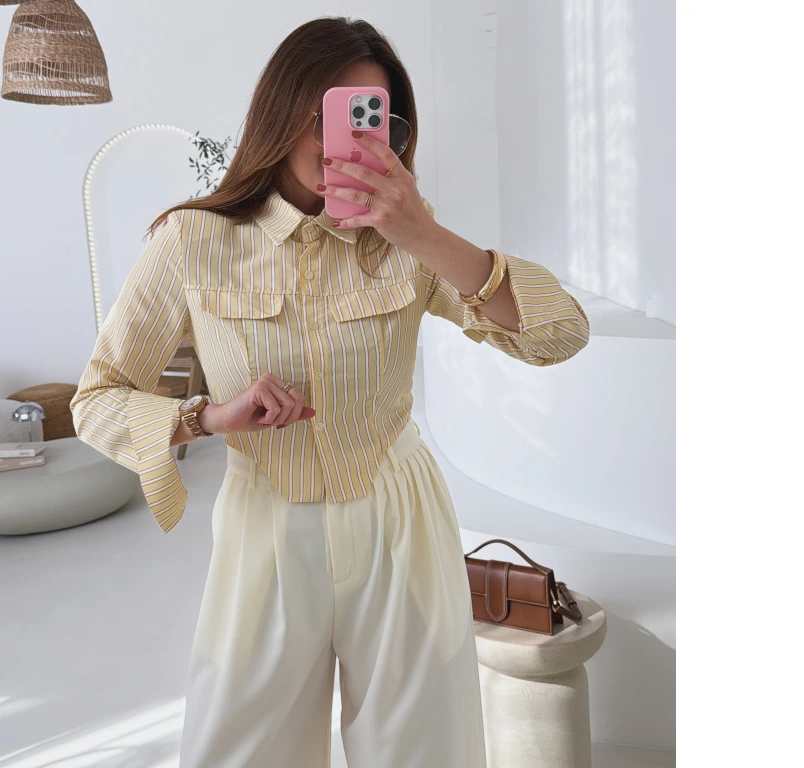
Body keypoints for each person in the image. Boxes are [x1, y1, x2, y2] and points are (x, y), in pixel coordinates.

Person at [70, 16, 590, 768]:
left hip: (401, 522)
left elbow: (560, 333)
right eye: (325, 114)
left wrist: (423, 234)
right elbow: (97, 399)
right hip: (265, 528)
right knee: (242, 750)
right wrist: (210, 417)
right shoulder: (192, 241)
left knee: (421, 752)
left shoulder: (409, 245)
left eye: (366, 119)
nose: (341, 139)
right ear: (279, 114)